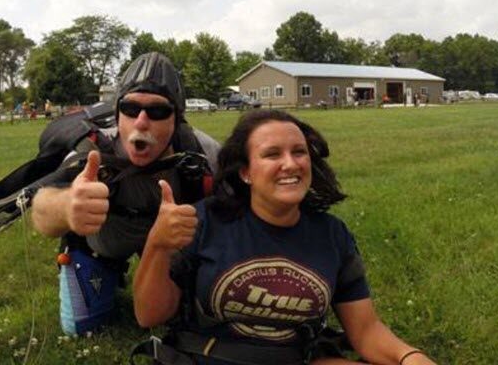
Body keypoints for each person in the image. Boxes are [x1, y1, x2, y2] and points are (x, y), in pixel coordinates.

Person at [133, 110, 437, 365]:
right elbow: (149, 315)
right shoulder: (204, 221)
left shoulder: (332, 234)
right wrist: (157, 245)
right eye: (272, 154)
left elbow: (365, 329)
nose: (291, 164)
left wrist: (408, 356)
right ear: (246, 173)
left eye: (299, 152)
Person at [31, 52, 220, 335]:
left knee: (180, 320)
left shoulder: (205, 154)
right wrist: (67, 206)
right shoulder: (92, 148)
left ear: (177, 119)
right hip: (100, 247)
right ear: (118, 113)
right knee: (79, 328)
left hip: (168, 250)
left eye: (157, 112)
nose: (141, 122)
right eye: (130, 109)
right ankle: (109, 272)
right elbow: (40, 210)